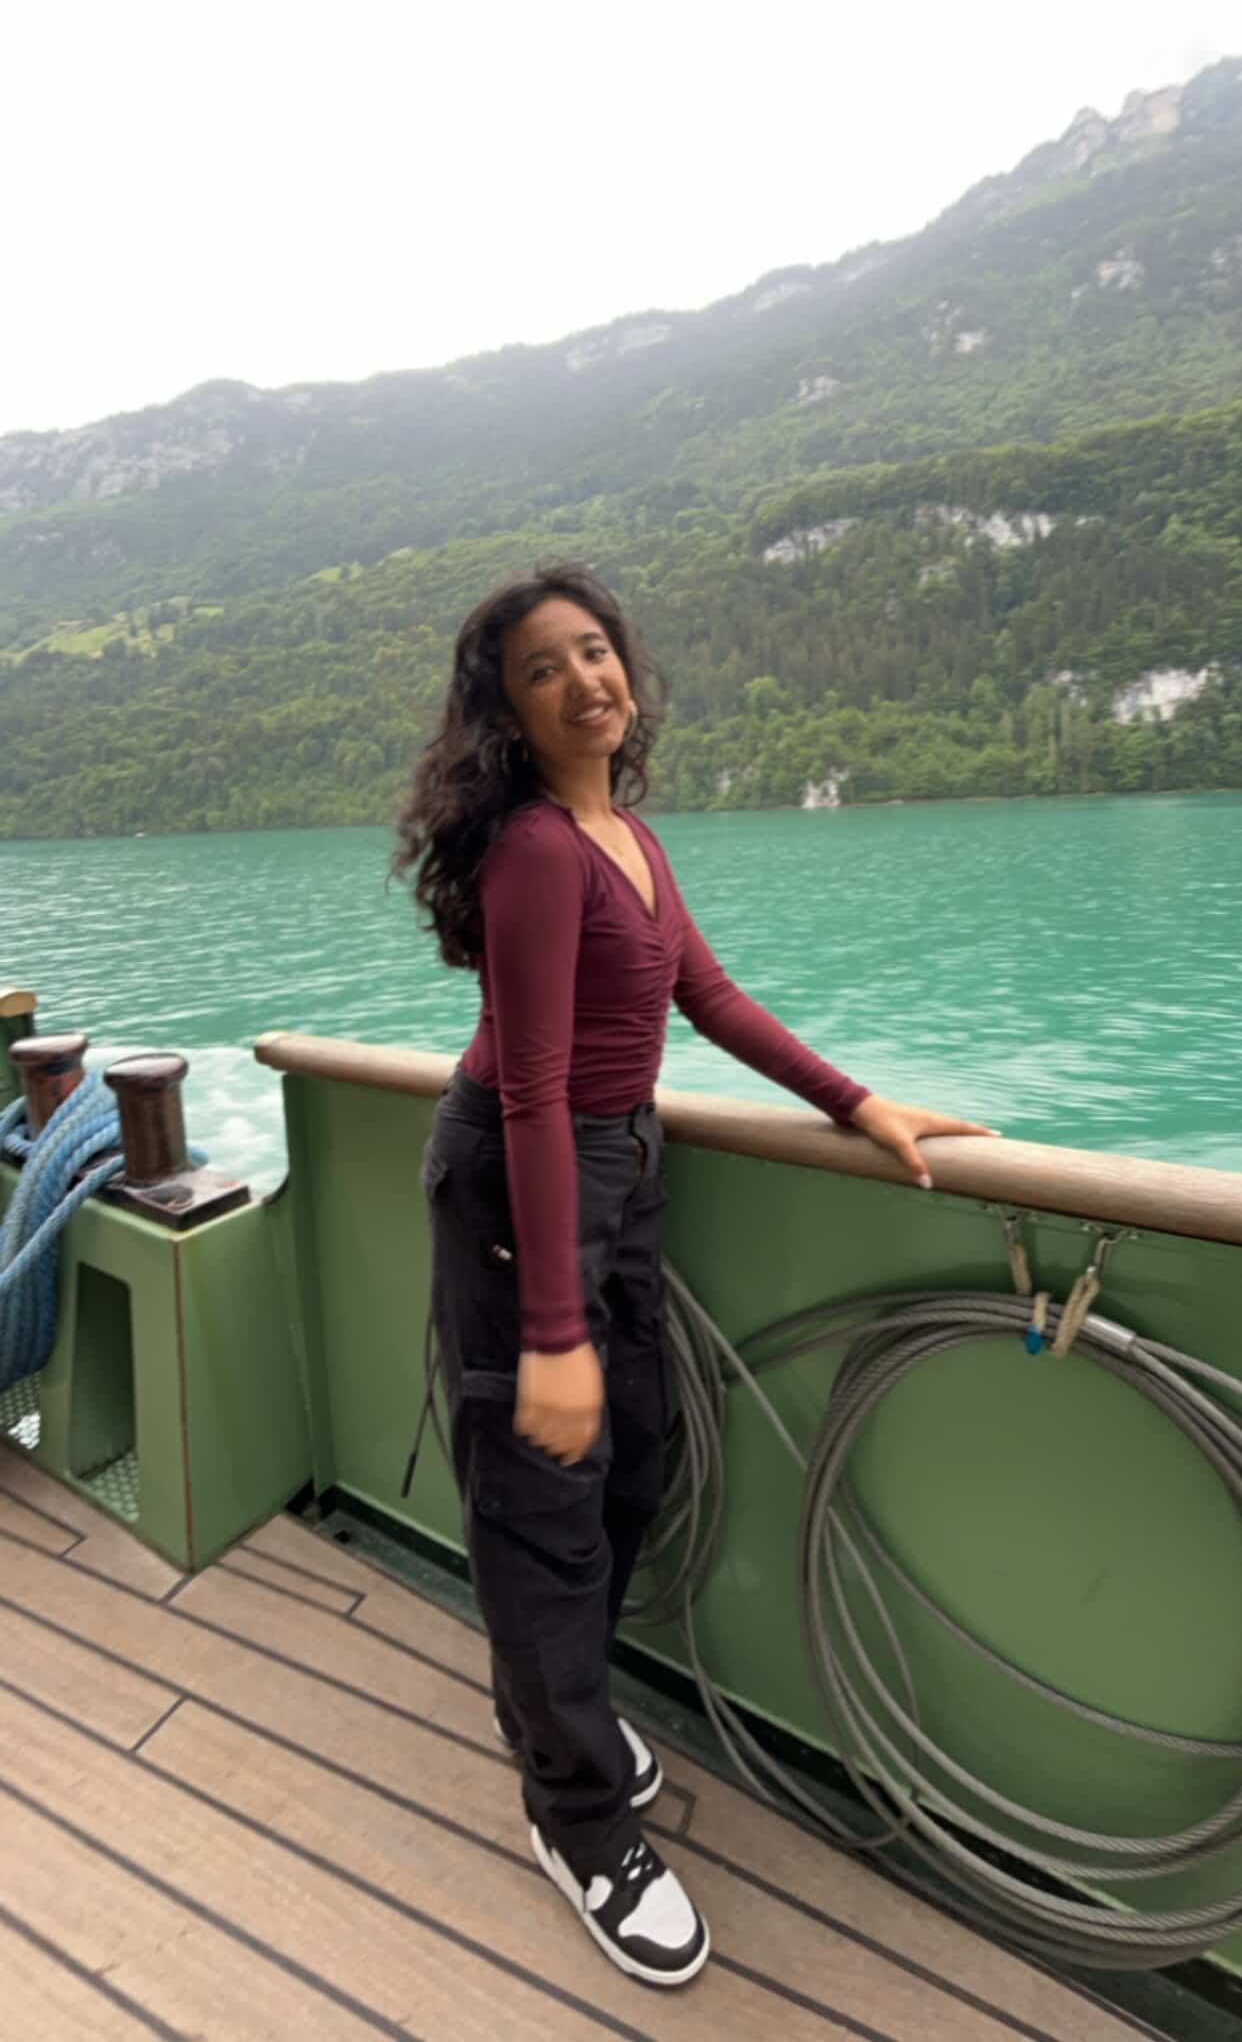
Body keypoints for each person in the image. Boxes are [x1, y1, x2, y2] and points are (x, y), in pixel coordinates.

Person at [392, 561, 993, 1989]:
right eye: (543, 668)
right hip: (525, 1183)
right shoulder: (538, 851)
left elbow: (702, 996)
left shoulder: (629, 838)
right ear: (507, 712)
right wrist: (552, 1329)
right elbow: (534, 1090)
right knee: (547, 1503)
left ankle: (557, 1719)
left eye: (594, 650)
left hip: (619, 1167)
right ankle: (576, 1814)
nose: (583, 679)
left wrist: (862, 1104)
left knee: (633, 1463)